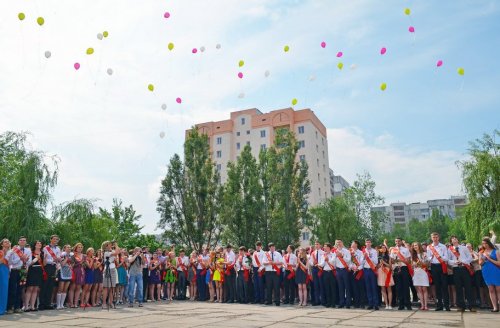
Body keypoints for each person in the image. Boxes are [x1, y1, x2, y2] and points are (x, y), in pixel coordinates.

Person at [448, 236, 475, 312]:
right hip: (456, 269)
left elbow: (470, 258)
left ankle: (471, 306)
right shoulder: (450, 249)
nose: (454, 239)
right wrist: (454, 262)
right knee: (458, 287)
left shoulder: (463, 248)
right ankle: (461, 306)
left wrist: (463, 261)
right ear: (451, 241)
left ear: (458, 240)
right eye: (452, 238)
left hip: (464, 268)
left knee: (468, 287)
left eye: (455, 238)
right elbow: (448, 260)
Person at [6, 236, 31, 314]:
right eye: (21, 240)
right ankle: (10, 307)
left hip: (23, 271)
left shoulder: (28, 250)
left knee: (20, 289)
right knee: (13, 289)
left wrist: (25, 260)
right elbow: (10, 262)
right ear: (18, 242)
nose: (23, 241)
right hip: (14, 270)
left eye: (24, 240)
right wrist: (20, 258)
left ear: (26, 242)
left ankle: (17, 307)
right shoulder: (13, 250)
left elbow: (29, 262)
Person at [427, 232, 450, 311]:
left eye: (436, 237)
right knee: (437, 286)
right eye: (433, 237)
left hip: (442, 266)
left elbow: (446, 257)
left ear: (438, 238)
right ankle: (439, 305)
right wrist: (431, 257)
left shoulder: (443, 246)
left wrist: (440, 257)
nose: (435, 239)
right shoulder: (429, 247)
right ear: (431, 238)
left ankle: (447, 305)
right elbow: (428, 258)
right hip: (434, 266)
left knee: (444, 286)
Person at [390, 237, 412, 310]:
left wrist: (401, 260)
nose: (397, 242)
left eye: (398, 241)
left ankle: (408, 304)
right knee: (398, 287)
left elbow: (408, 261)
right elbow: (392, 261)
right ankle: (401, 304)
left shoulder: (406, 249)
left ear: (401, 242)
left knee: (406, 286)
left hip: (404, 268)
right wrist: (395, 260)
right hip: (396, 268)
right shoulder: (393, 250)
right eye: (396, 241)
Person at [40, 235, 61, 310]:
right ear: (51, 239)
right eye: (54, 239)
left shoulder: (58, 248)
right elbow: (45, 259)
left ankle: (48, 303)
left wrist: (56, 260)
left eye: (57, 239)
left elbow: (58, 258)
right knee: (45, 285)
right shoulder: (46, 248)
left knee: (51, 286)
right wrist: (53, 260)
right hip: (47, 267)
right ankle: (41, 304)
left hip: (54, 267)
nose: (55, 240)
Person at [479, 237, 500, 312]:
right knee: (491, 289)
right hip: (486, 271)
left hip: (496, 270)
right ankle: (495, 307)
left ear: (489, 243)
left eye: (486, 243)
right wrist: (483, 260)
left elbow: (499, 263)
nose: (484, 245)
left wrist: (489, 258)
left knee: (498, 289)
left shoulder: (496, 251)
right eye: (483, 244)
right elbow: (480, 263)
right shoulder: (481, 252)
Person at [24, 240, 43, 311]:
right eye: (38, 243)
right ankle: (26, 306)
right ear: (35, 245)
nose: (39, 244)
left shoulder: (42, 253)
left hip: (39, 271)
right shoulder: (31, 253)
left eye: (40, 243)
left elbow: (44, 263)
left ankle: (32, 306)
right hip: (32, 270)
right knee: (30, 288)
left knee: (35, 289)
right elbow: (29, 263)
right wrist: (36, 259)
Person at [101, 241, 120, 309]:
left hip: (113, 269)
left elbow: (118, 251)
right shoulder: (106, 252)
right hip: (108, 270)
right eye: (109, 244)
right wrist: (116, 244)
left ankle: (110, 302)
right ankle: (104, 303)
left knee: (112, 287)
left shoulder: (111, 251)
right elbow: (117, 252)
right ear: (106, 246)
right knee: (106, 287)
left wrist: (115, 245)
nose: (111, 245)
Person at [469, 243, 489, 308]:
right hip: (474, 272)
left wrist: (470, 259)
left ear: (471, 247)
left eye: (469, 247)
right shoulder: (465, 254)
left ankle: (488, 303)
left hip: (480, 271)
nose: (468, 248)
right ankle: (482, 303)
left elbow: (477, 258)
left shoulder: (475, 253)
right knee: (479, 287)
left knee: (485, 287)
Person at [411, 242, 430, 310]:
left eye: (416, 245)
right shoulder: (413, 255)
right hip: (416, 273)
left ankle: (426, 305)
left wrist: (421, 263)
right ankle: (422, 305)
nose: (415, 246)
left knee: (424, 289)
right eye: (413, 246)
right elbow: (411, 266)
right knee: (419, 289)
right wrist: (414, 265)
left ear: (419, 246)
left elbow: (427, 264)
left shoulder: (424, 254)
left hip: (423, 272)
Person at [334, 239, 352, 309]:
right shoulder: (334, 251)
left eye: (340, 242)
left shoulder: (346, 251)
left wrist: (342, 256)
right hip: (338, 270)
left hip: (345, 270)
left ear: (342, 243)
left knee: (347, 287)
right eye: (337, 242)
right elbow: (332, 262)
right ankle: (341, 302)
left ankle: (348, 303)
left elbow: (348, 260)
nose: (338, 243)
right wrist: (335, 256)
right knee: (340, 287)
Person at [362, 239, 379, 310]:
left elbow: (376, 261)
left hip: (372, 270)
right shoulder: (362, 251)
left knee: (374, 287)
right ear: (365, 243)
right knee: (368, 287)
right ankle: (370, 303)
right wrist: (364, 257)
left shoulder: (374, 251)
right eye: (367, 242)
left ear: (371, 243)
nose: (368, 243)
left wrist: (369, 257)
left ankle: (376, 304)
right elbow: (361, 262)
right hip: (366, 270)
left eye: (369, 242)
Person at [68, 243, 85, 308]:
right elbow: (72, 265)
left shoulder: (84, 256)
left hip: (82, 272)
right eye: (78, 247)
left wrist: (84, 264)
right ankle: (71, 303)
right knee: (72, 288)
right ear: (76, 248)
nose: (80, 248)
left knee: (78, 288)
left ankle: (75, 303)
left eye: (81, 247)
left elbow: (85, 265)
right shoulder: (73, 255)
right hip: (75, 272)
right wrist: (79, 264)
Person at [377, 244, 394, 309]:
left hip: (387, 272)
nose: (383, 249)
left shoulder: (388, 256)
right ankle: (386, 304)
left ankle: (390, 304)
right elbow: (377, 267)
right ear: (380, 249)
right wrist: (380, 264)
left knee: (389, 289)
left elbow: (390, 266)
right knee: (383, 289)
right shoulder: (378, 257)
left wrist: (384, 262)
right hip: (380, 271)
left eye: (384, 248)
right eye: (382, 248)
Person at [349, 240, 365, 309]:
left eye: (353, 243)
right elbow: (348, 262)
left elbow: (362, 262)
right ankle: (356, 303)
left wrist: (358, 268)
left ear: (356, 244)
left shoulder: (360, 252)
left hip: (359, 271)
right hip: (352, 271)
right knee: (354, 288)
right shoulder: (350, 252)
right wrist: (351, 267)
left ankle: (362, 303)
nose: (352, 244)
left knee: (361, 288)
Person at [321, 243, 337, 308]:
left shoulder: (333, 254)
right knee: (327, 288)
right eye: (324, 247)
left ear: (329, 247)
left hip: (331, 272)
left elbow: (333, 262)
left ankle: (333, 302)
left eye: (325, 247)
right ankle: (328, 302)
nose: (324, 248)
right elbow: (322, 264)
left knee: (332, 288)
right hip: (325, 272)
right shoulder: (323, 255)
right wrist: (324, 261)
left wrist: (328, 260)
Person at [56, 244, 72, 309]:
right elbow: (62, 264)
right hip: (62, 272)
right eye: (67, 247)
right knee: (60, 289)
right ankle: (58, 305)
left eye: (70, 247)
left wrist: (71, 265)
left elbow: (73, 263)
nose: (69, 248)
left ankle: (62, 304)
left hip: (68, 272)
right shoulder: (62, 255)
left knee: (65, 289)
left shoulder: (72, 255)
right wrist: (67, 259)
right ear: (64, 248)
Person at [309, 241, 325, 306]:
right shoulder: (313, 253)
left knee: (321, 285)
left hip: (321, 269)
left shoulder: (323, 253)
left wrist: (319, 264)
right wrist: (313, 264)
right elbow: (310, 261)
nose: (316, 245)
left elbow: (323, 261)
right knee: (316, 286)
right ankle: (317, 300)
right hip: (315, 269)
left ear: (320, 245)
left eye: (317, 244)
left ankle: (323, 301)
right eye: (315, 244)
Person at [0, 239, 12, 315]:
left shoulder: (11, 252)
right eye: (5, 242)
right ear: (2, 244)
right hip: (1, 269)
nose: (7, 242)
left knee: (4, 290)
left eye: (8, 242)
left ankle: (2, 309)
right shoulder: (0, 252)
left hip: (7, 270)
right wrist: (4, 255)